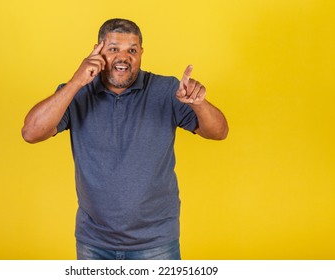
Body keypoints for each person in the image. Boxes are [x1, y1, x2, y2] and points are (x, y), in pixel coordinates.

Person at [22, 18, 228, 260]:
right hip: (94, 242)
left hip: (156, 242)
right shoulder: (77, 94)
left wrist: (199, 103)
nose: (124, 57)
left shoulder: (167, 90)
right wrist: (76, 81)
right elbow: (31, 133)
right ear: (97, 51)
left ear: (141, 53)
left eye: (132, 50)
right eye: (113, 49)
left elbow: (218, 132)